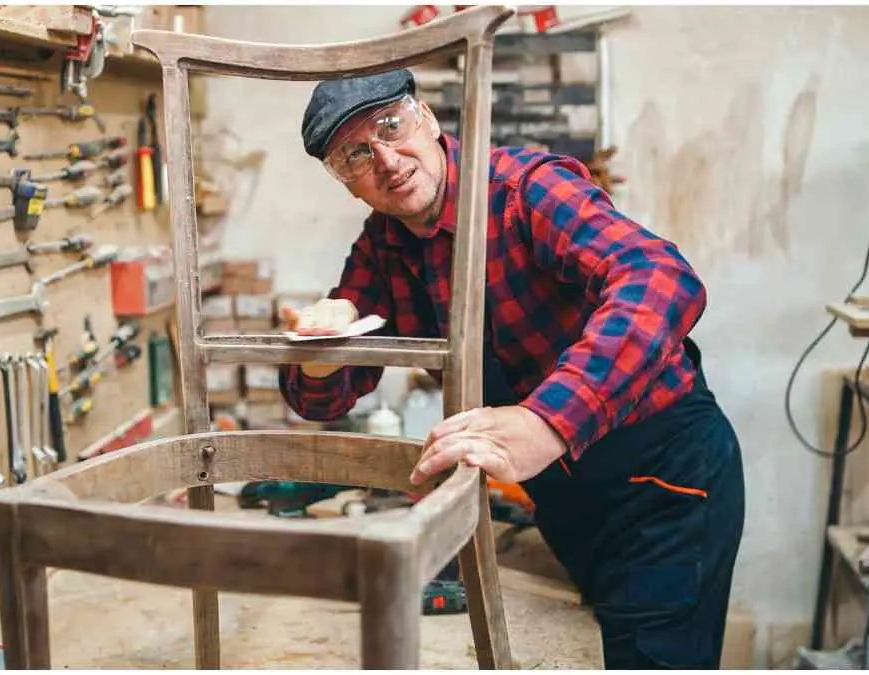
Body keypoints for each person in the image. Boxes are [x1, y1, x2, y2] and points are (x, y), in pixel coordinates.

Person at [276, 68, 745, 668]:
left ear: (426, 117)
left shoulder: (525, 189)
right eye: (356, 154)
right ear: (346, 183)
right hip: (566, 499)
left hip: (664, 479)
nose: (388, 160)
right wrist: (321, 346)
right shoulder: (385, 244)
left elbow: (661, 278)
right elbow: (320, 402)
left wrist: (546, 422)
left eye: (392, 127)